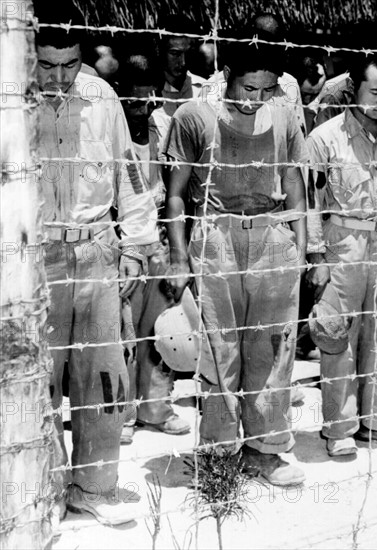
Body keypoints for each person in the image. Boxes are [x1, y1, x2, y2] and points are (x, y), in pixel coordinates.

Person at [163, 41, 308, 486]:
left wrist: (301, 249)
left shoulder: (284, 116)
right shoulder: (193, 117)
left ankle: (265, 451)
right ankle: (220, 455)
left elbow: (293, 181)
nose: (255, 100)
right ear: (226, 74)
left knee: (271, 350)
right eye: (247, 88)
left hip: (271, 239)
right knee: (218, 350)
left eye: (266, 91)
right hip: (216, 240)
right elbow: (175, 192)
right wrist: (177, 256)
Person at [35, 16, 158, 524]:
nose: (59, 78)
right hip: (32, 259)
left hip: (96, 252)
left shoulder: (102, 96)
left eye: (69, 65)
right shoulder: (9, 99)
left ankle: (94, 486)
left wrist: (137, 245)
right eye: (46, 65)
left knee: (102, 376)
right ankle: (37, 489)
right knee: (34, 380)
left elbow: (128, 173)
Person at [306, 53, 377, 457]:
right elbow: (311, 202)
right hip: (344, 243)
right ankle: (339, 428)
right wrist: (317, 255)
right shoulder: (324, 138)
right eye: (375, 91)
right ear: (354, 88)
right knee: (338, 335)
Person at [118, 54, 191, 443]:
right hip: (125, 252)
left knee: (161, 331)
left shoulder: (160, 127)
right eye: (134, 100)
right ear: (119, 96)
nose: (142, 108)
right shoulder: (113, 136)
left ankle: (157, 408)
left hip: (158, 246)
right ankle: (124, 414)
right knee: (124, 337)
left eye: (148, 99)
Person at [149, 16, 207, 166]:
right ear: (158, 49)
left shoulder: (205, 90)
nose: (183, 62)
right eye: (175, 54)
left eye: (188, 54)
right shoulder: (147, 95)